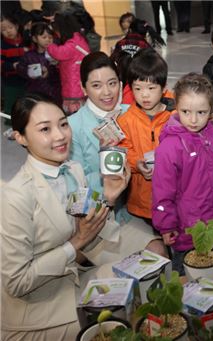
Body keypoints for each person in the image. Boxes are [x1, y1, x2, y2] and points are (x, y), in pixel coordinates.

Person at [1, 93, 128, 340]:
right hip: (35, 313)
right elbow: (17, 283)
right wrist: (76, 243)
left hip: (74, 280)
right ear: (20, 137)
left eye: (63, 123)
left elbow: (87, 235)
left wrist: (109, 199)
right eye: (45, 129)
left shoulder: (74, 170)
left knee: (140, 286)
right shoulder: (15, 196)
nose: (60, 135)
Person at [67, 51, 166, 257]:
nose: (107, 92)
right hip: (97, 220)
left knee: (160, 254)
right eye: (96, 85)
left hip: (132, 211)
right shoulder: (73, 127)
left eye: (112, 83)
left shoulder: (132, 111)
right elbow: (75, 190)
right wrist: (108, 165)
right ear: (83, 88)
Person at [152, 73, 213, 275]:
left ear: (211, 111)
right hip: (187, 231)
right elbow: (162, 193)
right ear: (176, 107)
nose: (193, 120)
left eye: (201, 112)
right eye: (186, 111)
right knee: (187, 282)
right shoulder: (169, 148)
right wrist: (166, 226)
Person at [117, 48, 174, 222]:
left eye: (151, 87)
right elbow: (123, 151)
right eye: (138, 88)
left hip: (174, 195)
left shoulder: (175, 116)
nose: (145, 94)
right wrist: (137, 164)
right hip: (142, 200)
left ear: (163, 88)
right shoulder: (125, 120)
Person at [47, 11, 90, 114]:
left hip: (74, 89)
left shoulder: (72, 43)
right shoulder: (78, 39)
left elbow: (58, 53)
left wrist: (49, 44)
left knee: (75, 114)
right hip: (79, 87)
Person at [16, 22, 62, 105]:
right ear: (34, 39)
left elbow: (62, 73)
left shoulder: (57, 54)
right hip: (35, 93)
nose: (48, 39)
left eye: (50, 37)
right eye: (44, 37)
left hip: (54, 93)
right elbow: (20, 69)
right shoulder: (29, 55)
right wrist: (29, 71)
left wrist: (53, 68)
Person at [1, 13, 27, 114]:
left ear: (16, 26)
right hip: (11, 82)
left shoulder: (26, 40)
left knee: (27, 103)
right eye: (3, 29)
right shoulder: (2, 45)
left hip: (28, 80)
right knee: (12, 105)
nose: (8, 31)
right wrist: (12, 66)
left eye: (10, 27)